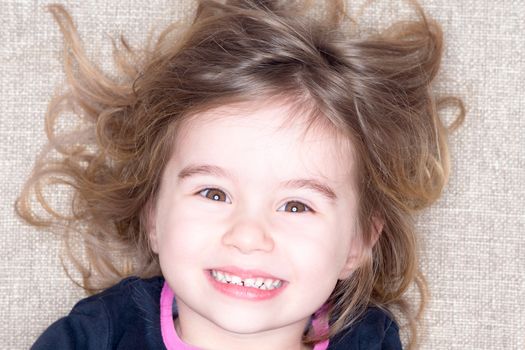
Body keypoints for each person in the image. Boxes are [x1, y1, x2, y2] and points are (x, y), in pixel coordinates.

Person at [17, 0, 464, 349]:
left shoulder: (367, 339)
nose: (248, 236)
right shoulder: (98, 335)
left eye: (296, 205)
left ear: (356, 245)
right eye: (213, 193)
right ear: (153, 217)